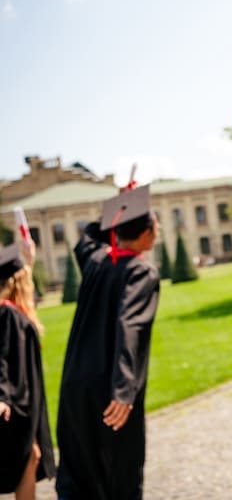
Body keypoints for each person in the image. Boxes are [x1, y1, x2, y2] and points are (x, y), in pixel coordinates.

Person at [55, 185, 161, 500]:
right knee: (119, 473)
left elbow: (86, 236)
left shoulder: (96, 261)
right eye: (154, 225)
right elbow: (131, 325)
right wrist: (124, 390)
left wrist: (120, 206)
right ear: (146, 235)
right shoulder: (141, 272)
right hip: (110, 389)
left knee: (78, 472)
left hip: (75, 385)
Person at [0, 241, 55, 499]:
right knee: (29, 458)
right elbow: (2, 358)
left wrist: (29, 259)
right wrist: (2, 395)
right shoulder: (9, 316)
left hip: (17, 404)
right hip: (14, 406)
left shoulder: (11, 312)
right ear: (18, 282)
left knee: (30, 458)